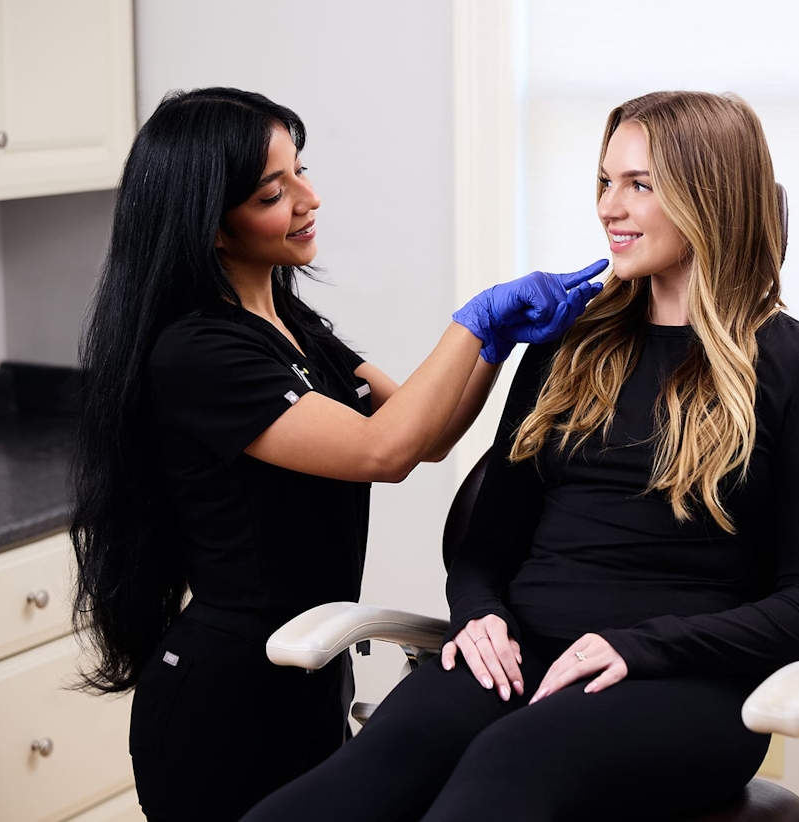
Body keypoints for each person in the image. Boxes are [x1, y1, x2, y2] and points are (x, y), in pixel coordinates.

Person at [241, 90, 799, 822]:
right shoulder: (570, 346)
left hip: (687, 683)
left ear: (709, 196)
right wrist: (478, 615)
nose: (609, 207)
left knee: (506, 768)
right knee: (351, 785)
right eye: (605, 182)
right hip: (519, 652)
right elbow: (486, 545)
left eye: (639, 185)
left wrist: (644, 647)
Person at [69, 86, 604, 822]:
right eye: (272, 191)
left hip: (309, 680)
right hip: (221, 700)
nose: (308, 198)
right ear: (212, 226)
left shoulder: (293, 326)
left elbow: (428, 434)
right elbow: (382, 451)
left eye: (301, 171)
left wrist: (499, 346)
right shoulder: (197, 351)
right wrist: (471, 321)